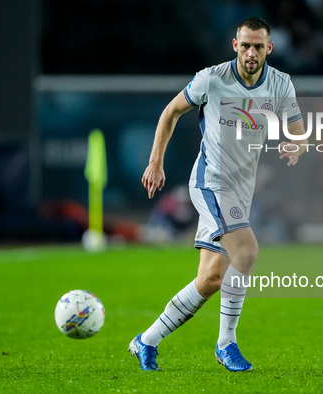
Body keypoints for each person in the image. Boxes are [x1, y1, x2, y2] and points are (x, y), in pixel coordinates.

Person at [133, 17, 307, 372]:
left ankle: (145, 341)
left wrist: (297, 145)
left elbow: (298, 130)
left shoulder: (280, 84)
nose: (251, 52)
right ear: (235, 45)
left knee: (211, 279)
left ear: (269, 48)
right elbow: (170, 112)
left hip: (241, 191)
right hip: (210, 183)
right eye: (245, 45)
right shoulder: (211, 78)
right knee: (247, 251)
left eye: (258, 46)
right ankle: (226, 344)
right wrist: (156, 163)